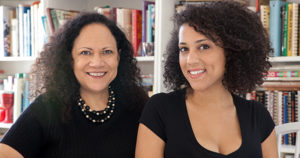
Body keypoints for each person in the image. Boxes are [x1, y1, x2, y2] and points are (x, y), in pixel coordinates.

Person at [136, 1, 278, 158]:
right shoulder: (160, 109)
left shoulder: (258, 116)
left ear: (231, 52)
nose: (190, 60)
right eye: (184, 49)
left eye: (204, 47)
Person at [0, 12, 148, 158]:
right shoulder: (47, 108)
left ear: (118, 57)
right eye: (85, 53)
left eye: (107, 52)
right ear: (70, 59)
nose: (97, 62)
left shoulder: (138, 106)